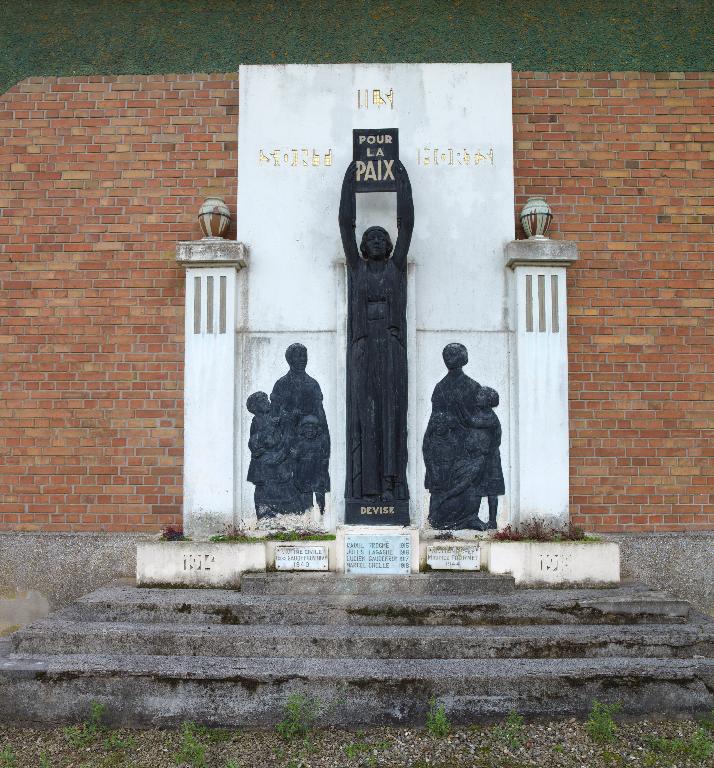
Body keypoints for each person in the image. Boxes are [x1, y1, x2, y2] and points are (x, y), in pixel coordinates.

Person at [339, 160, 414, 507]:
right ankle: (365, 488)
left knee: (391, 413)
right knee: (364, 416)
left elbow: (408, 225)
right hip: (364, 347)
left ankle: (392, 484)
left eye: (382, 237)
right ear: (364, 247)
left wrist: (403, 186)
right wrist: (348, 186)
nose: (377, 241)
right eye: (370, 238)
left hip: (391, 347)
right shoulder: (357, 269)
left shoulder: (396, 268)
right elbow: (344, 225)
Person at [246, 391, 294, 518]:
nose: (268, 403)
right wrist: (270, 427)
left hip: (278, 459)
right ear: (256, 407)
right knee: (263, 489)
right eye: (264, 401)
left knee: (281, 487)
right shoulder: (257, 421)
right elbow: (254, 442)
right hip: (263, 463)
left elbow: (286, 436)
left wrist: (283, 452)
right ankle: (264, 514)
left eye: (267, 400)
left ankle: (281, 514)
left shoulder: (275, 417)